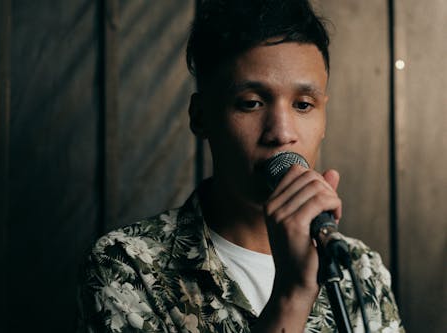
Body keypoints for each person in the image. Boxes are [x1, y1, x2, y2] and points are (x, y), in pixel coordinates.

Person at [78, 0, 404, 332]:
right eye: (251, 103)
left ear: (324, 118)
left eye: (304, 105)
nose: (281, 132)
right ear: (201, 116)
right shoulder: (129, 266)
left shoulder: (359, 268)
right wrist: (293, 293)